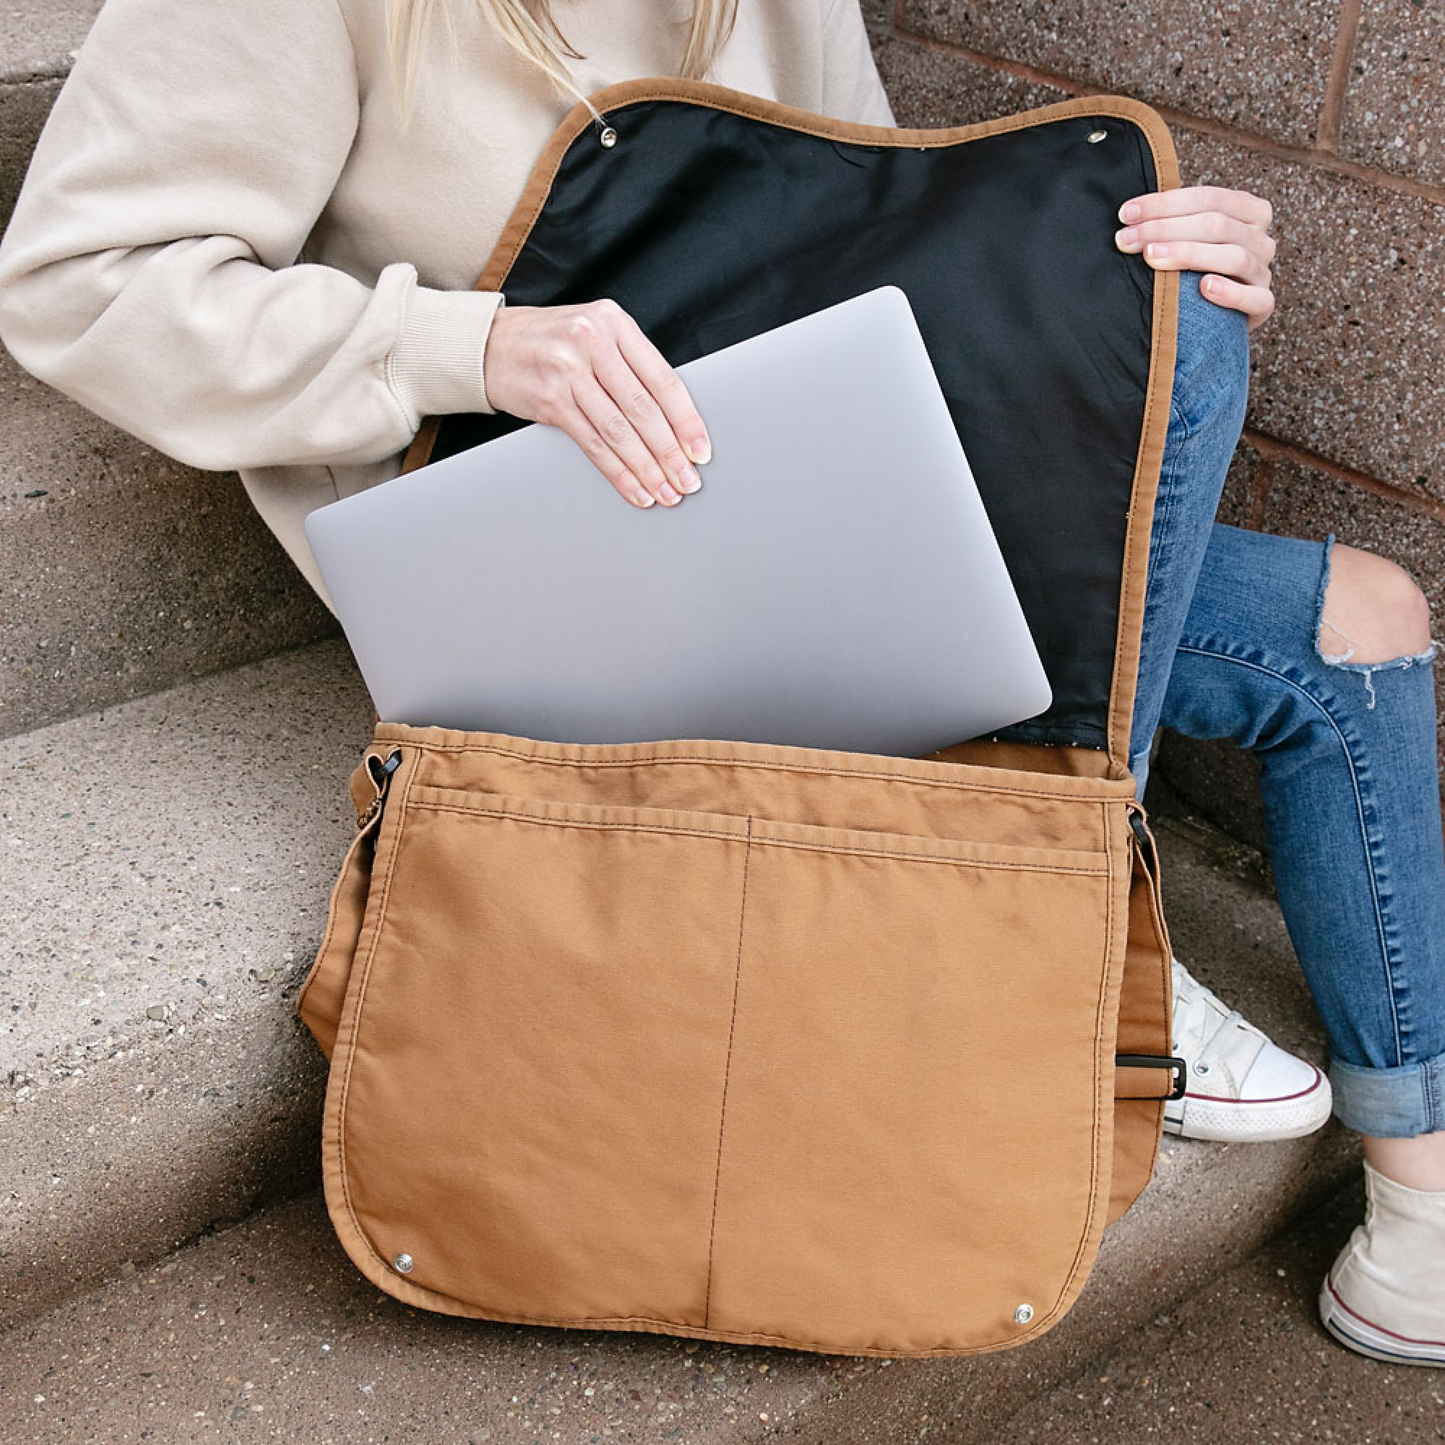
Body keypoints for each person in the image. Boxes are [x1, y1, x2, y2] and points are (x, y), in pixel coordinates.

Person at [0, 0, 1439, 1366]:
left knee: (1351, 600)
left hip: (773, 492)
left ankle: (1419, 1206)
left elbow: (871, 247)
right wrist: (469, 342)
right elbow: (82, 279)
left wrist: (1124, 255)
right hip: (544, 549)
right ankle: (1038, 914)